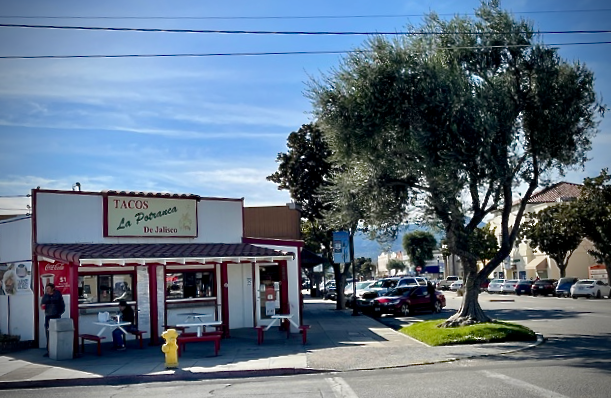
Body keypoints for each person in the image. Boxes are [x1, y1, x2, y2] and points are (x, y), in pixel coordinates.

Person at [40, 283, 65, 357]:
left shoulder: (58, 295)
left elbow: (62, 305)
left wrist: (59, 312)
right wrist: (43, 307)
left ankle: (57, 349)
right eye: (46, 288)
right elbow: (42, 304)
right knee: (48, 333)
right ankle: (49, 350)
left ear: (53, 289)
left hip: (56, 316)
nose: (47, 290)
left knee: (57, 333)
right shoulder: (45, 296)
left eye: (48, 288)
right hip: (48, 316)